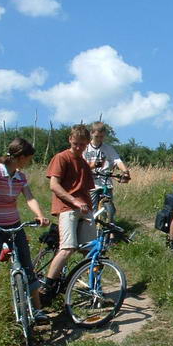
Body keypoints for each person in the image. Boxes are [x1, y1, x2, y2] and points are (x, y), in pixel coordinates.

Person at [0, 137, 50, 319]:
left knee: (28, 267)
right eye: (29, 158)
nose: (29, 162)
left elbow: (29, 198)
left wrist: (39, 215)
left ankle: (37, 310)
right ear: (21, 157)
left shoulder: (20, 176)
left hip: (15, 226)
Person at [39, 124, 96, 302]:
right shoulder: (61, 158)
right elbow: (54, 185)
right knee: (68, 248)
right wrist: (74, 201)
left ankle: (92, 290)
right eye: (76, 143)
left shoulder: (84, 164)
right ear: (70, 140)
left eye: (82, 144)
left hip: (84, 208)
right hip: (67, 208)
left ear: (87, 144)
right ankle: (46, 287)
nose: (78, 147)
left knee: (92, 251)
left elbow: (87, 190)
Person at [83, 121, 130, 220]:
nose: (100, 139)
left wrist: (125, 171)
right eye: (97, 136)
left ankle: (110, 231)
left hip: (106, 182)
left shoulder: (108, 148)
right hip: (91, 183)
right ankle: (93, 230)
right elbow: (81, 167)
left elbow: (117, 161)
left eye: (102, 137)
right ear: (91, 133)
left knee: (110, 210)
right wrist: (93, 166)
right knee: (93, 211)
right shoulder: (85, 148)